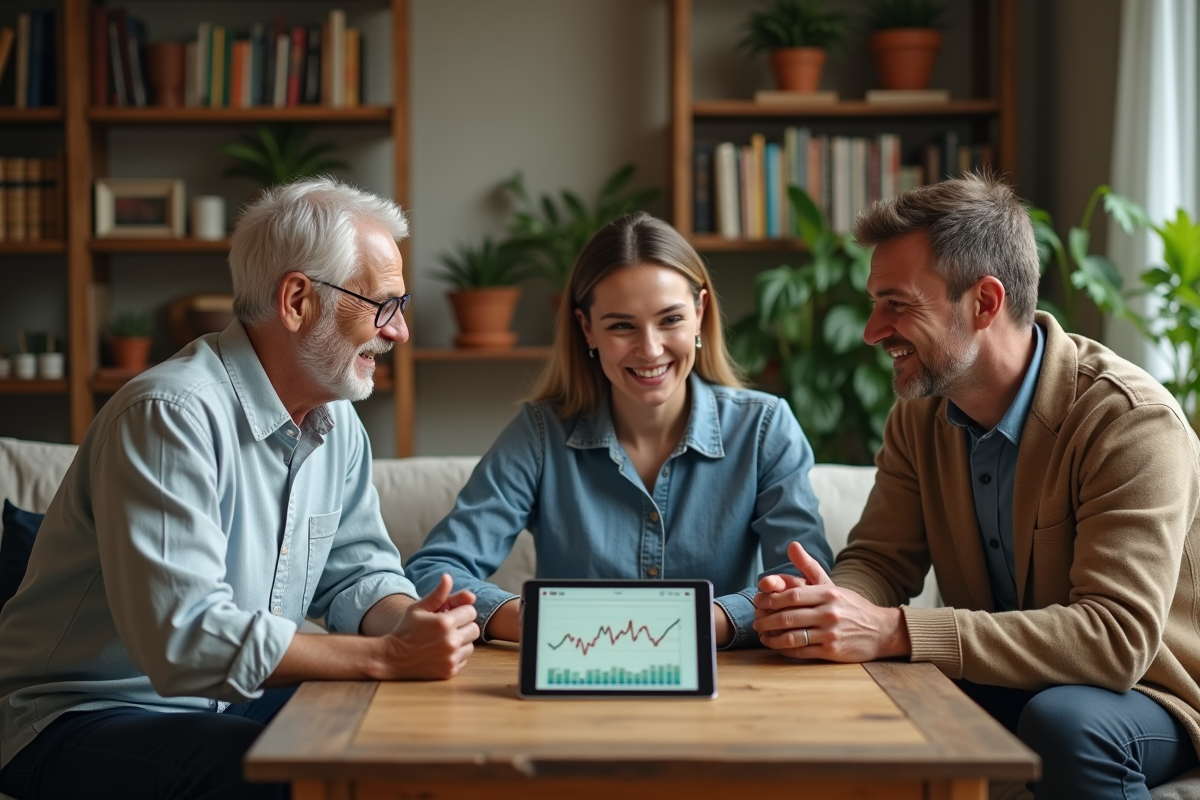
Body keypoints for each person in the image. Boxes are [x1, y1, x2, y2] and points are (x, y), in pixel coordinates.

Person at [0, 176, 480, 800]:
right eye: (382, 305)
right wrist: (387, 657)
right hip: (72, 715)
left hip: (220, 704)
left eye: (401, 307)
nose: (399, 332)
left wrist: (406, 620)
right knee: (269, 769)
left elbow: (358, 573)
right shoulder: (169, 415)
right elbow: (184, 638)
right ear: (298, 300)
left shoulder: (338, 426)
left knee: (396, 733)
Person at [752, 172, 1200, 798]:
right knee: (874, 694)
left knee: (1067, 722)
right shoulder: (919, 414)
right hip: (1006, 674)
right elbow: (881, 561)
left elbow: (1114, 641)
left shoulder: (1128, 423)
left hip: (1152, 694)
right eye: (875, 302)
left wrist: (893, 630)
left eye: (897, 304)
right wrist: (829, 606)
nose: (871, 330)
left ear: (984, 303)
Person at [405, 212, 831, 648]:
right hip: (571, 681)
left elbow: (805, 581)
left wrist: (688, 627)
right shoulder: (539, 433)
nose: (650, 349)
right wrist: (553, 624)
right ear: (587, 328)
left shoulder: (764, 427)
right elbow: (433, 573)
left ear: (700, 312)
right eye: (622, 325)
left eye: (670, 320)